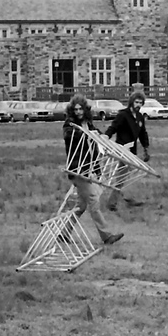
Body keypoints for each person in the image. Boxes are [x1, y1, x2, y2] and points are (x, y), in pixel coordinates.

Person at [62, 95, 123, 246]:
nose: (78, 112)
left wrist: (97, 169)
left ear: (85, 109)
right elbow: (70, 136)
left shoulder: (88, 124)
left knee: (80, 206)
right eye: (75, 109)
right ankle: (106, 236)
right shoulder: (70, 124)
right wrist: (87, 134)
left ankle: (63, 234)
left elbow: (97, 143)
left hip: (88, 168)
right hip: (77, 170)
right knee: (93, 201)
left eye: (80, 109)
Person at [104, 91, 150, 210]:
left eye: (140, 102)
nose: (138, 105)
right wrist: (106, 136)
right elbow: (113, 127)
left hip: (131, 151)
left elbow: (142, 134)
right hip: (122, 149)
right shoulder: (123, 115)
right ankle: (115, 202)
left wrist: (146, 149)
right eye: (136, 102)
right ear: (131, 102)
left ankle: (120, 200)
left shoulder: (140, 117)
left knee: (124, 176)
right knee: (122, 176)